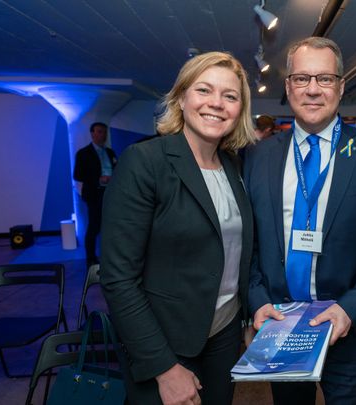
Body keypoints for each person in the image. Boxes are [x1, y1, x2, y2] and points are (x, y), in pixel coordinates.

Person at [243, 36, 356, 404]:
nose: (313, 90)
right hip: (281, 327)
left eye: (324, 78)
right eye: (302, 78)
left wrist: (351, 308)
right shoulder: (258, 156)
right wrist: (257, 300)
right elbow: (250, 241)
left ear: (340, 85)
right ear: (288, 86)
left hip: (348, 328)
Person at [100, 51, 256, 405]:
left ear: (239, 109)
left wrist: (245, 317)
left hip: (224, 337)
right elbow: (118, 277)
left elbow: (234, 251)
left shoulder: (232, 165)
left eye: (230, 96)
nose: (216, 104)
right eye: (204, 90)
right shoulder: (145, 162)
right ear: (182, 97)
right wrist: (164, 367)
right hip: (165, 343)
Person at [73, 122, 117, 267]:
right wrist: (98, 178)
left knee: (110, 227)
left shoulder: (110, 152)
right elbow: (77, 175)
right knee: (94, 227)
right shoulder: (83, 153)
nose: (102, 135)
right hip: (94, 194)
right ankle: (91, 259)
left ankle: (110, 257)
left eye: (104, 132)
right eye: (99, 132)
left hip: (110, 194)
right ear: (92, 133)